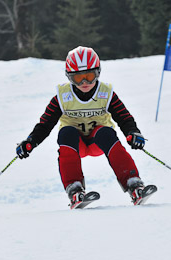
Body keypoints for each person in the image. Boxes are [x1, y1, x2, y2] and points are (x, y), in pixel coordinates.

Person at [16, 46, 150, 206]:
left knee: (105, 132)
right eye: (78, 78)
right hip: (75, 145)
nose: (85, 82)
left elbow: (124, 117)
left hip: (98, 142)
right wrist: (31, 142)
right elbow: (45, 124)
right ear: (69, 77)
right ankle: (74, 189)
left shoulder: (106, 93)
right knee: (66, 132)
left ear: (98, 73)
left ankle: (133, 184)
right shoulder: (62, 96)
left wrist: (133, 133)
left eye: (89, 76)